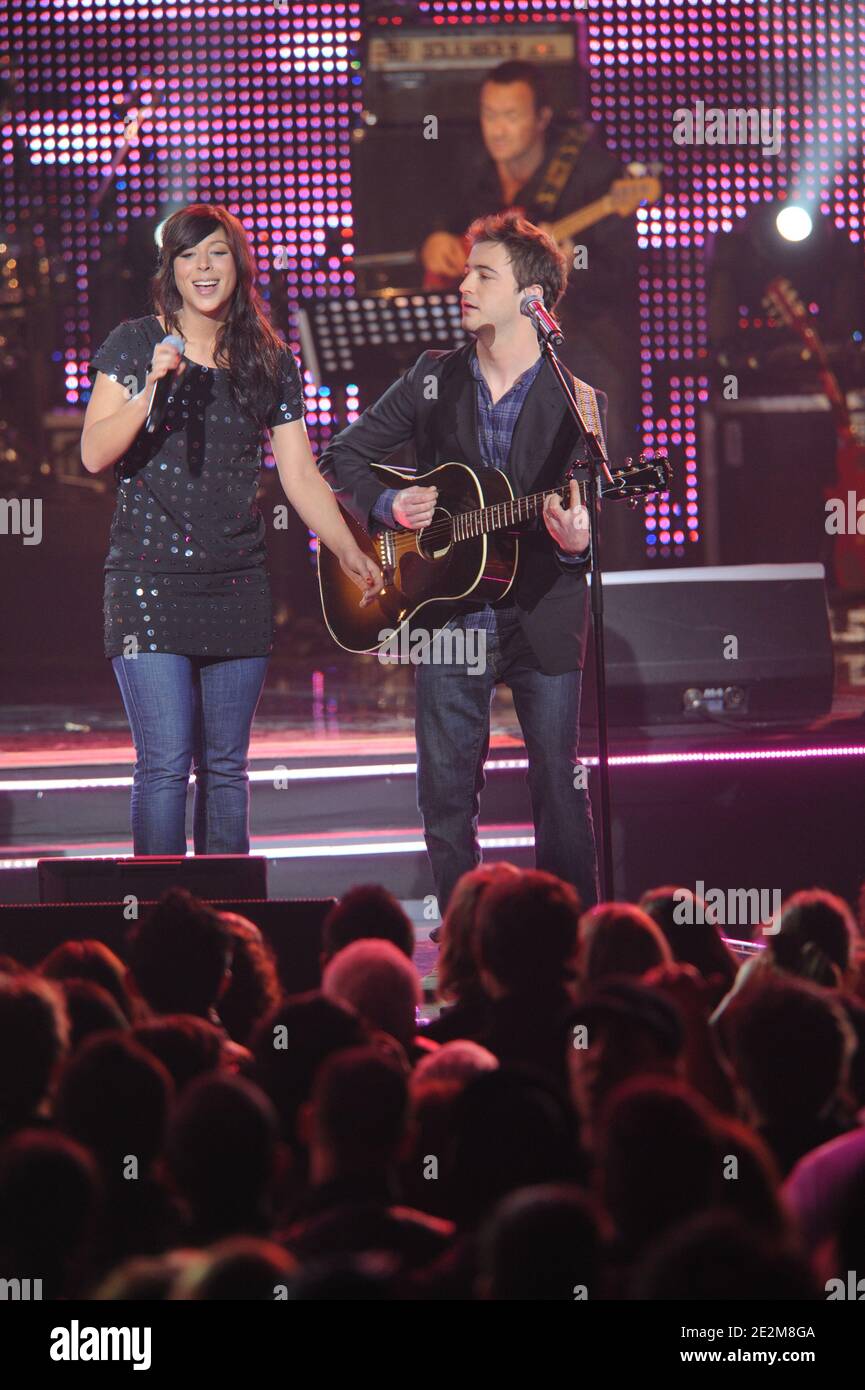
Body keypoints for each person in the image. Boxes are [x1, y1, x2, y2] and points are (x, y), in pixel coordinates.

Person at [318, 211, 602, 915]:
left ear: (531, 299)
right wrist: (388, 507)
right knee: (446, 789)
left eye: (483, 274)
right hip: (447, 608)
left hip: (542, 606)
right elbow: (340, 457)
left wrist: (577, 542)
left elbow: (589, 520)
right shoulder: (432, 378)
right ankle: (462, 936)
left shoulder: (578, 401)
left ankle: (571, 938)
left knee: (557, 786)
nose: (462, 284)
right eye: (466, 272)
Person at [81, 203, 380, 855]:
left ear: (237, 264)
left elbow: (300, 475)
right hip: (147, 585)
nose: (203, 268)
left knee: (224, 771)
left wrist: (346, 547)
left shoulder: (266, 360)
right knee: (164, 766)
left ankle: (229, 935)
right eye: (187, 256)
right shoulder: (136, 344)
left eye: (216, 252)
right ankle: (159, 932)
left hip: (236, 586)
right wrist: (150, 390)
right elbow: (94, 453)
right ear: (170, 271)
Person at [420, 59, 642, 564]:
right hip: (500, 357)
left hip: (580, 343)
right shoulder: (473, 168)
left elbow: (619, 271)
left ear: (542, 117)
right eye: (489, 114)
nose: (498, 128)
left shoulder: (591, 172)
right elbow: (446, 224)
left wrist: (563, 265)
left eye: (512, 115)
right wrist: (434, 240)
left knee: (602, 457)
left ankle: (621, 587)